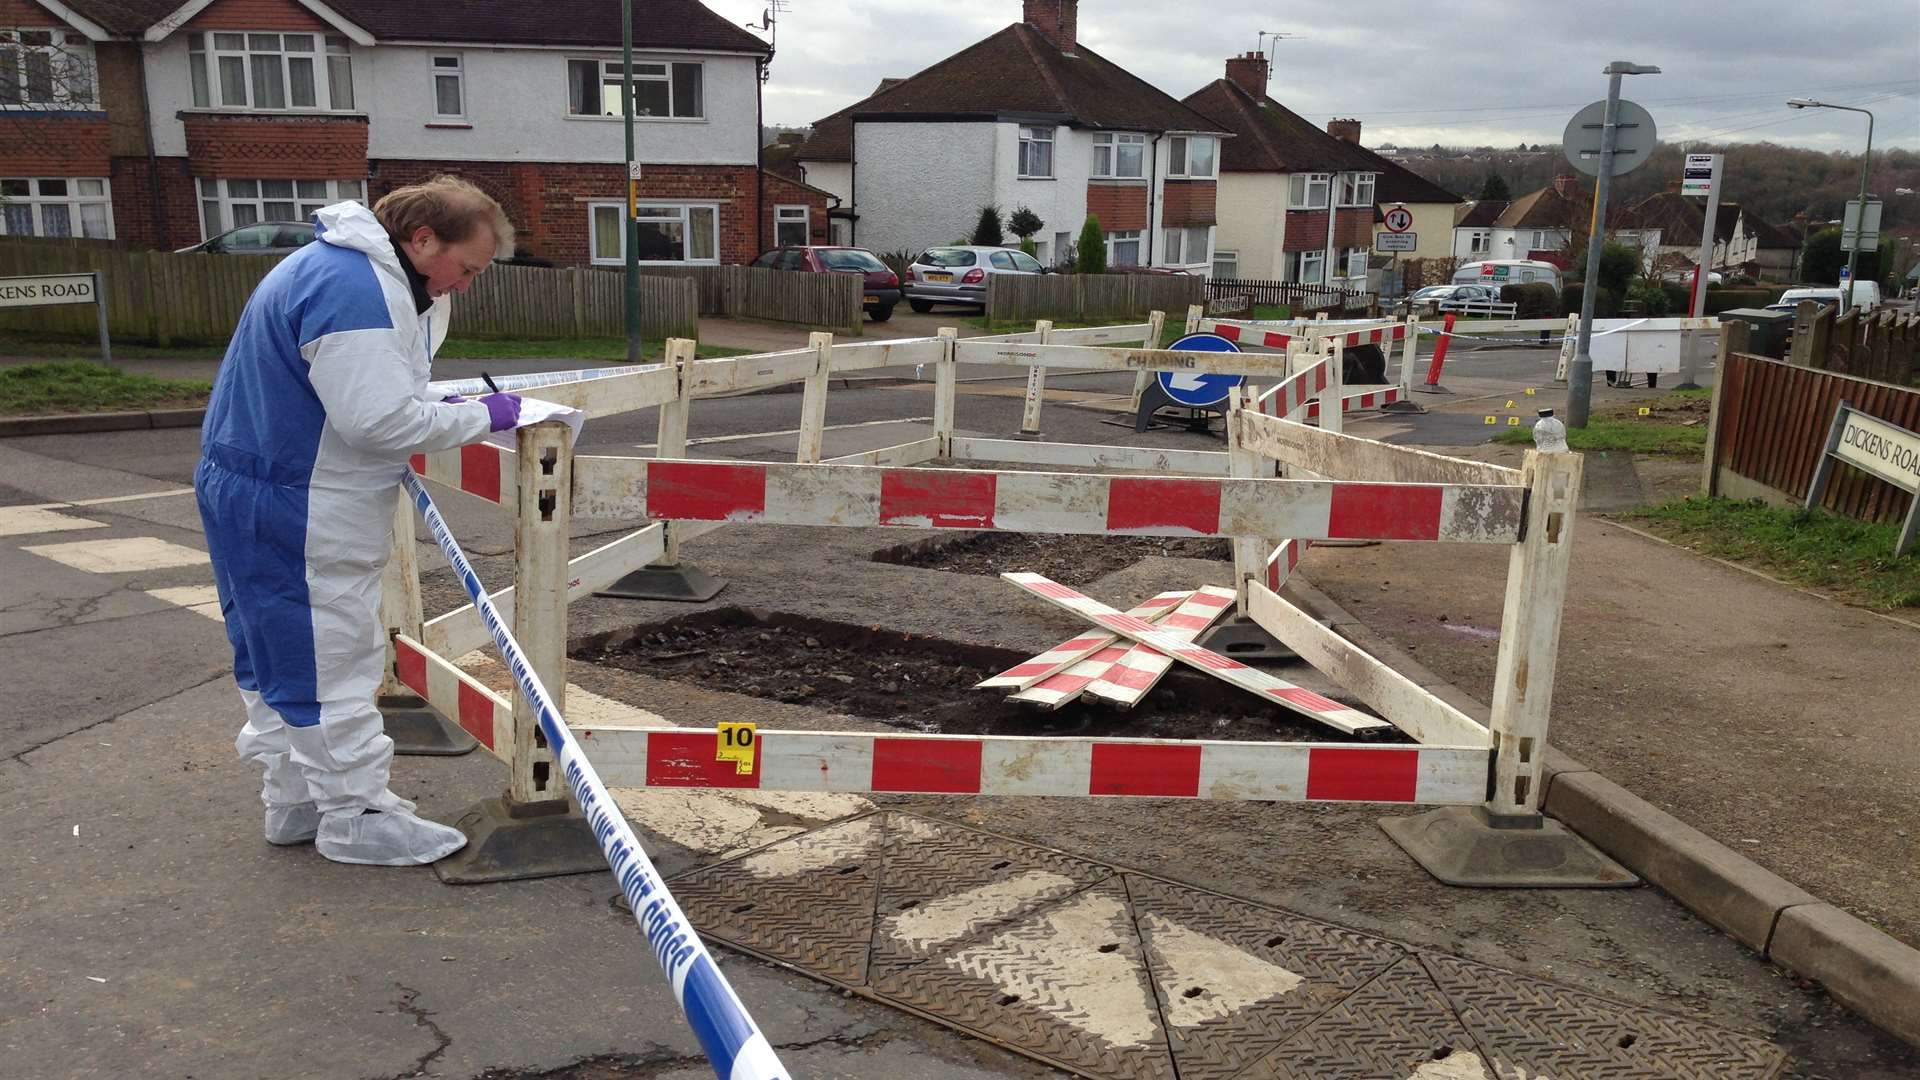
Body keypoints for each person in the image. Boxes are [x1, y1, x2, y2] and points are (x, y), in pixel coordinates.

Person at [196, 175, 527, 866]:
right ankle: (357, 813)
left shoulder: (331, 268)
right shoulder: (357, 288)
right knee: (331, 658)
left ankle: (294, 799)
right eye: (465, 269)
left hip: (255, 484)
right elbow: (379, 420)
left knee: (272, 653)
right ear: (422, 238)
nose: (464, 286)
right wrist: (489, 416)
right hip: (304, 498)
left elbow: (364, 388)